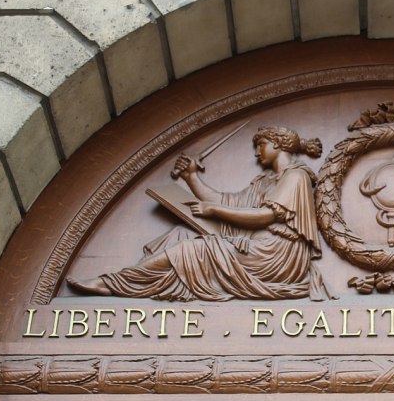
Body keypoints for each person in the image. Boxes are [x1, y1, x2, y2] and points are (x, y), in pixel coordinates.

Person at [67, 126, 334, 301]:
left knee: (193, 250)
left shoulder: (296, 177)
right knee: (181, 234)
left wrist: (214, 210)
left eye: (260, 144)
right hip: (256, 246)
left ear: (277, 145)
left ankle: (112, 284)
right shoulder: (265, 181)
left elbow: (266, 216)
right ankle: (135, 281)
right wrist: (191, 177)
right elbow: (229, 201)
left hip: (276, 255)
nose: (256, 152)